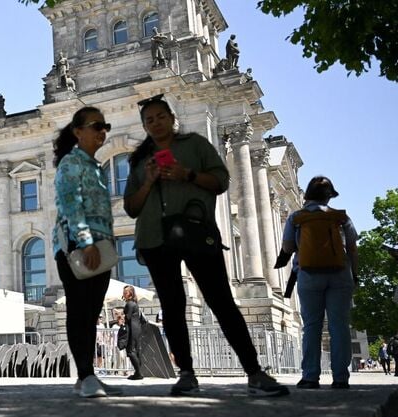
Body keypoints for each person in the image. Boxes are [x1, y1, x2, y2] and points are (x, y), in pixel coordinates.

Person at [122, 95, 288, 397]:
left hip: (196, 233)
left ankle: (254, 371)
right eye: (149, 120)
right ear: (144, 126)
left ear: (172, 118)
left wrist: (186, 175)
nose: (156, 123)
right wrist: (148, 182)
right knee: (172, 308)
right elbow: (131, 207)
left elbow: (222, 181)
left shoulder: (195, 145)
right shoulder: (139, 159)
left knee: (221, 302)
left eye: (160, 116)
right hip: (155, 238)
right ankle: (186, 374)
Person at [51, 106, 120, 398]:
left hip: (100, 248)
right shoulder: (71, 162)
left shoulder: (95, 167)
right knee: (79, 310)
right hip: (77, 247)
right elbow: (70, 203)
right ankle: (85, 375)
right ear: (78, 132)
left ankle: (86, 376)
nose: (102, 131)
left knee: (91, 313)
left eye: (105, 126)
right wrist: (85, 241)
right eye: (96, 126)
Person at [281, 176, 358, 389]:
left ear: (308, 195)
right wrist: (355, 274)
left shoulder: (297, 217)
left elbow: (287, 248)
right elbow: (352, 248)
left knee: (311, 326)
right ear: (329, 196)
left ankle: (310, 376)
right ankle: (340, 378)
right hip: (340, 274)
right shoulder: (341, 217)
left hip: (309, 274)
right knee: (339, 325)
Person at [122, 285, 145, 380]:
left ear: (130, 294)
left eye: (125, 292)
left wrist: (120, 315)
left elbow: (127, 317)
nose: (123, 294)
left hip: (132, 329)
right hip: (136, 329)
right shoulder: (134, 303)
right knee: (135, 351)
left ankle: (138, 373)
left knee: (131, 351)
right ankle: (138, 372)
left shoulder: (130, 304)